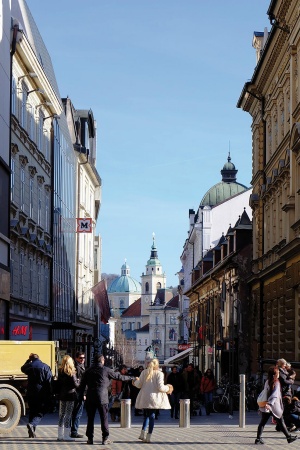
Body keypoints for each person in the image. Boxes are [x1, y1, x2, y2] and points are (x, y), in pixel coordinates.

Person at [79, 354, 134, 446]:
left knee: (90, 418)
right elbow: (119, 377)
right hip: (102, 397)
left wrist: (81, 396)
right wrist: (131, 378)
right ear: (102, 361)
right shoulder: (106, 370)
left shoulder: (88, 371)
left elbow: (82, 385)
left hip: (91, 397)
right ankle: (105, 438)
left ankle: (90, 438)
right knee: (104, 418)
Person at [133, 358, 173, 443]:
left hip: (145, 397)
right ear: (157, 365)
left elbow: (139, 385)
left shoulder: (144, 372)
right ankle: (148, 436)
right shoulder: (159, 374)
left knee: (146, 415)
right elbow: (160, 387)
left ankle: (142, 433)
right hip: (154, 398)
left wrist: (135, 382)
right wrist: (169, 388)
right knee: (152, 416)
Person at [255, 365, 297, 445]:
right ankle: (289, 438)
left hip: (266, 406)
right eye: (278, 372)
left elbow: (266, 393)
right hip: (273, 406)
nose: (279, 374)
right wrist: (270, 404)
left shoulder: (267, 381)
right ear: (275, 374)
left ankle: (258, 439)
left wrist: (267, 404)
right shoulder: (276, 382)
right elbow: (274, 395)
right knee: (281, 422)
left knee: (262, 423)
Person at [21, 352, 53, 438]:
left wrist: (28, 361)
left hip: (31, 391)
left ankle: (32, 433)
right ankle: (32, 424)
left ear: (31, 359)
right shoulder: (45, 366)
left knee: (32, 410)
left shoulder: (29, 366)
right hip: (41, 392)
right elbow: (49, 381)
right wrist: (50, 393)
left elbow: (22, 368)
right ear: (39, 358)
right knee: (42, 410)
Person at [57, 355, 80, 441]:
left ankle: (60, 435)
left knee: (61, 414)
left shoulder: (60, 371)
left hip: (62, 395)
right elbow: (75, 385)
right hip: (70, 395)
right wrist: (78, 381)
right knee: (68, 415)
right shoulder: (72, 372)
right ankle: (66, 435)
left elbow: (59, 384)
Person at [70, 351, 86, 438]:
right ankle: (74, 431)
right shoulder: (77, 367)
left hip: (77, 393)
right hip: (78, 393)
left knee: (75, 413)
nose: (82, 359)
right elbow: (80, 383)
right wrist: (83, 393)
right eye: (80, 358)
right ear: (76, 358)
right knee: (77, 413)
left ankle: (72, 430)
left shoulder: (80, 366)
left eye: (83, 358)